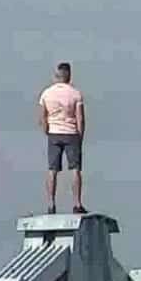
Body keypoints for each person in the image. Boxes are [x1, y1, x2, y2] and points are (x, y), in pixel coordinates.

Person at [39, 62, 87, 214]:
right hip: (71, 132)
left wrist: (47, 130)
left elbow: (42, 117)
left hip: (54, 132)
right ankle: (77, 203)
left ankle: (51, 203)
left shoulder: (46, 94)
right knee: (75, 169)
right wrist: (80, 136)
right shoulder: (75, 94)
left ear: (56, 76)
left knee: (52, 169)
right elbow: (80, 118)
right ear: (69, 76)